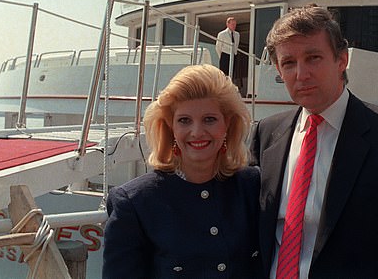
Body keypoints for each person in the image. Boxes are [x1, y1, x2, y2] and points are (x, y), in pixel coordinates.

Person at [249, 6, 378, 278]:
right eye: (288, 63)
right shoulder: (267, 132)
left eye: (313, 58)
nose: (301, 74)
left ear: (342, 60)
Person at [103, 64, 262, 278]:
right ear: (171, 127)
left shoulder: (253, 187)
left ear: (228, 124)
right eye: (184, 120)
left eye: (209, 119)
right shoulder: (136, 203)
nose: (197, 132)